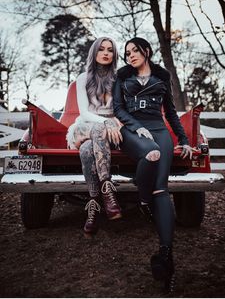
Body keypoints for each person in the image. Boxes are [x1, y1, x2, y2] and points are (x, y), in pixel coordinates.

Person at [113, 37, 193, 291]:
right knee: (151, 154)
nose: (130, 56)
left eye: (135, 51)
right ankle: (143, 200)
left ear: (146, 51)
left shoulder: (162, 77)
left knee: (162, 187)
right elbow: (118, 108)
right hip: (131, 131)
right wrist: (136, 127)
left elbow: (170, 112)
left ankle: (166, 256)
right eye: (126, 53)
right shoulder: (122, 76)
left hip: (159, 130)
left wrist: (183, 139)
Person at [66, 37, 123, 237]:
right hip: (85, 125)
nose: (106, 53)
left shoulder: (119, 78)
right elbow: (84, 112)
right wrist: (105, 122)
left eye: (110, 50)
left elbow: (120, 110)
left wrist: (113, 123)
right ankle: (107, 191)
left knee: (86, 150)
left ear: (114, 54)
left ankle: (94, 206)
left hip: (112, 127)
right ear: (94, 52)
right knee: (97, 130)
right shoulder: (83, 78)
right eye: (101, 49)